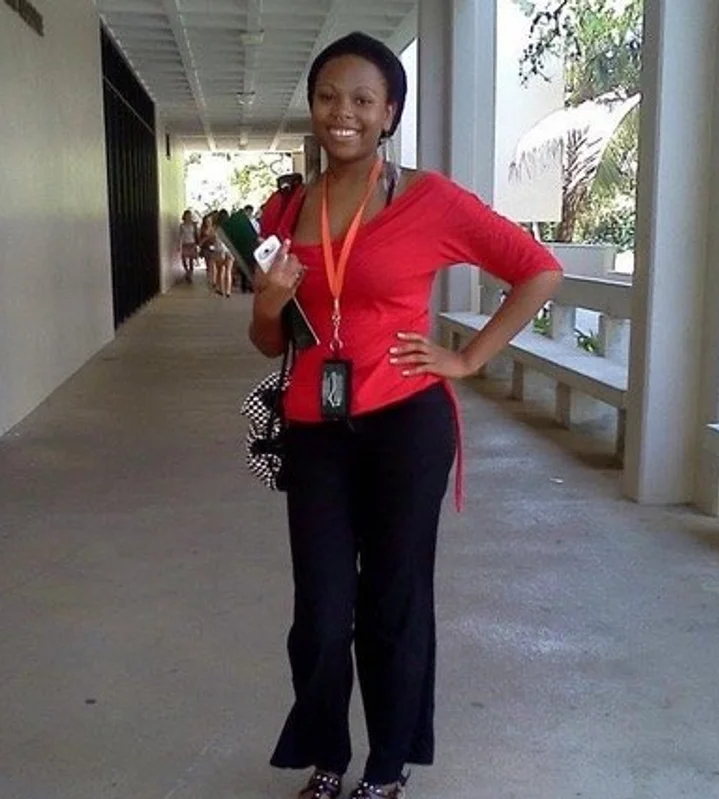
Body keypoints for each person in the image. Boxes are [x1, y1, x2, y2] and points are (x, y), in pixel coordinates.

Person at [249, 32, 562, 799]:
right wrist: (267, 304)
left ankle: (386, 768)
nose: (342, 113)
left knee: (394, 600)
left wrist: (468, 357)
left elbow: (537, 269)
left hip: (403, 424)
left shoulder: (429, 200)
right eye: (328, 97)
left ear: (389, 113)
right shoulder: (283, 208)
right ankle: (327, 755)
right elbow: (268, 343)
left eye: (362, 100)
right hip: (314, 429)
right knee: (321, 611)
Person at [177, 210, 199, 284]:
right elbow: (180, 236)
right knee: (183, 258)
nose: (188, 217)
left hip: (192, 243)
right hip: (185, 244)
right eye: (187, 215)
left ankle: (190, 275)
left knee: (191, 260)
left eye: (189, 215)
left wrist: (197, 244)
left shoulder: (193, 225)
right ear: (184, 216)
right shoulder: (182, 225)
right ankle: (187, 271)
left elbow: (196, 235)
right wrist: (179, 245)